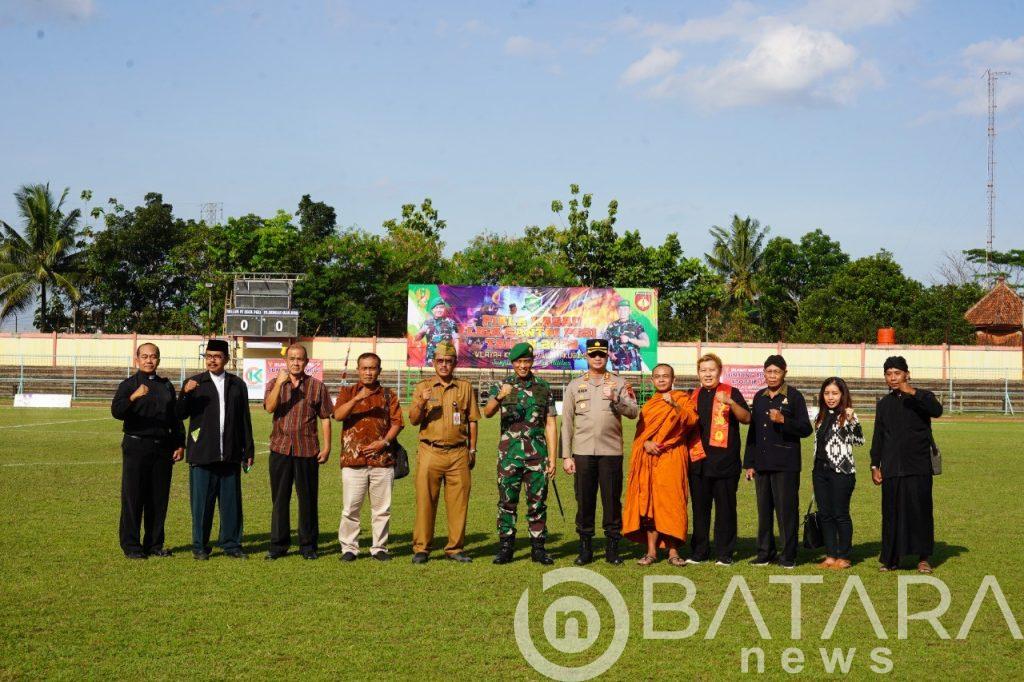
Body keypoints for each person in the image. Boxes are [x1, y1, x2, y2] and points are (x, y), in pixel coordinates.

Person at [561, 338, 639, 565]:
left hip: (611, 452)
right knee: (584, 501)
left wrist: (616, 399)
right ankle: (585, 548)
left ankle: (612, 548)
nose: (597, 358)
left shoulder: (619, 382)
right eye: (593, 354)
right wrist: (567, 456)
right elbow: (566, 422)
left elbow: (634, 411)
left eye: (601, 355)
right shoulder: (575, 385)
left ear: (607, 356)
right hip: (583, 452)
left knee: (612, 500)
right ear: (587, 357)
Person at [176, 339, 255, 560]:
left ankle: (232, 544)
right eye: (208, 356)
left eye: (217, 356)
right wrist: (184, 393)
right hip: (202, 454)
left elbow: (244, 420)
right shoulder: (194, 383)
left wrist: (248, 450)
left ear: (226, 360)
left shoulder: (237, 385)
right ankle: (200, 546)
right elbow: (179, 414)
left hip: (230, 454)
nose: (212, 360)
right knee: (202, 504)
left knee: (231, 504)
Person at [483, 342, 558, 565]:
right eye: (519, 362)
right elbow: (486, 413)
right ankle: (506, 548)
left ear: (532, 362)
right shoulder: (503, 385)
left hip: (537, 456)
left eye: (527, 361)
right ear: (513, 363)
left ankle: (538, 548)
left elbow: (551, 424)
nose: (523, 366)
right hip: (509, 456)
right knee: (507, 502)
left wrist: (552, 458)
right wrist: (499, 397)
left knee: (538, 503)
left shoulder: (543, 387)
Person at [111, 343, 185, 559]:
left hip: (162, 448)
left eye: (153, 357)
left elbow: (175, 417)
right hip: (136, 446)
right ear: (137, 359)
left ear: (158, 360)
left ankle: (154, 544)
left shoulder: (166, 385)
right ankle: (132, 546)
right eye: (144, 356)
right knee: (133, 497)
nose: (149, 360)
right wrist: (133, 397)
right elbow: (116, 411)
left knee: (158, 498)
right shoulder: (128, 385)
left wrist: (179, 443)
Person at [409, 340, 479, 563]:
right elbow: (412, 420)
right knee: (425, 501)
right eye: (440, 361)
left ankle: (455, 548)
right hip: (431, 450)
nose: (444, 365)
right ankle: (422, 548)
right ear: (433, 363)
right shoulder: (423, 387)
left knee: (459, 503)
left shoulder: (465, 387)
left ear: (455, 363)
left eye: (449, 361)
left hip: (458, 452)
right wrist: (422, 401)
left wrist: (473, 449)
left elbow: (473, 420)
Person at [871, 356, 943, 574]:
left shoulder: (922, 397)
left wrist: (911, 391)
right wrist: (875, 465)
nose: (893, 378)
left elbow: (937, 411)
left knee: (920, 511)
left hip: (918, 465)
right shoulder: (883, 404)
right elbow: (879, 437)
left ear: (906, 374)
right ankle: (891, 559)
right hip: (892, 467)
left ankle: (923, 558)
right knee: (891, 513)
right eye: (889, 374)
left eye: (897, 373)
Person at [622, 364, 698, 566]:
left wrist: (675, 406)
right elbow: (640, 436)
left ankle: (674, 552)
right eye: (657, 376)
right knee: (650, 505)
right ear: (652, 380)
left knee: (673, 503)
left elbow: (691, 421)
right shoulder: (649, 406)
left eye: (666, 376)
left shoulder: (682, 398)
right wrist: (646, 443)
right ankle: (651, 552)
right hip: (650, 459)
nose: (662, 380)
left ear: (673, 379)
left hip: (672, 456)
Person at [263, 343, 333, 560]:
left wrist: (328, 446)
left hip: (307, 449)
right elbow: (269, 408)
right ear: (286, 361)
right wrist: (280, 384)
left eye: (300, 359)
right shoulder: (275, 383)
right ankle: (278, 545)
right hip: (280, 449)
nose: (295, 362)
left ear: (307, 362)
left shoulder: (317, 386)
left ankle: (308, 546)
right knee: (280, 499)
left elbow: (325, 418)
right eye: (292, 358)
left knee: (308, 499)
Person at [333, 352, 403, 562]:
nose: (368, 372)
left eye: (372, 368)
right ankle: (349, 548)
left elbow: (397, 423)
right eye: (364, 368)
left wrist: (384, 442)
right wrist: (357, 399)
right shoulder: (348, 392)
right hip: (353, 461)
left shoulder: (389, 395)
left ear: (379, 370)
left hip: (382, 460)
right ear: (358, 370)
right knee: (350, 508)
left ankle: (379, 547)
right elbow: (337, 416)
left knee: (382, 509)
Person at [744, 355, 812, 569]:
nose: (772, 375)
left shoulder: (794, 397)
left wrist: (784, 421)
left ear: (784, 373)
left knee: (786, 512)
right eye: (768, 371)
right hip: (762, 464)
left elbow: (806, 429)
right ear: (763, 373)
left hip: (786, 464)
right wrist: (750, 463)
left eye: (776, 372)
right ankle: (765, 553)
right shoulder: (759, 397)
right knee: (764, 512)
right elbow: (753, 432)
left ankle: (788, 555)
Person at [686, 353, 751, 566]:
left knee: (725, 511)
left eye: (711, 370)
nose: (707, 374)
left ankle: (725, 553)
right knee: (700, 510)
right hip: (698, 463)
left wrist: (731, 402)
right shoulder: (692, 395)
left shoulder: (731, 392)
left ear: (719, 371)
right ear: (698, 373)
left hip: (725, 463)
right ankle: (700, 551)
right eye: (703, 370)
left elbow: (746, 418)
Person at [812, 377, 864, 570]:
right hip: (820, 472)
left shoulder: (848, 415)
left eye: (834, 393)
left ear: (842, 395)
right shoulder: (820, 417)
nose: (830, 397)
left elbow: (859, 441)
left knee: (840, 514)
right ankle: (830, 555)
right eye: (827, 393)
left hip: (842, 472)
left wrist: (851, 421)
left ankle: (844, 555)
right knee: (825, 514)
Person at [605, 300, 649, 371]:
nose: (622, 312)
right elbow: (603, 345)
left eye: (625, 309)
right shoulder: (611, 326)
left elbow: (646, 343)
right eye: (620, 309)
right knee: (617, 382)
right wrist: (610, 354)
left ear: (629, 311)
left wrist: (629, 339)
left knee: (633, 382)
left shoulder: (637, 325)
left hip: (633, 366)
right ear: (617, 311)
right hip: (616, 365)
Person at [413, 296, 459, 366]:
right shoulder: (427, 322)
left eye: (441, 307)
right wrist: (421, 332)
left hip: (445, 360)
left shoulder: (451, 323)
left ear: (444, 309)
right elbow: (417, 339)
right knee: (430, 377)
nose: (439, 310)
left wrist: (456, 357)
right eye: (436, 308)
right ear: (432, 310)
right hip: (430, 360)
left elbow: (456, 341)